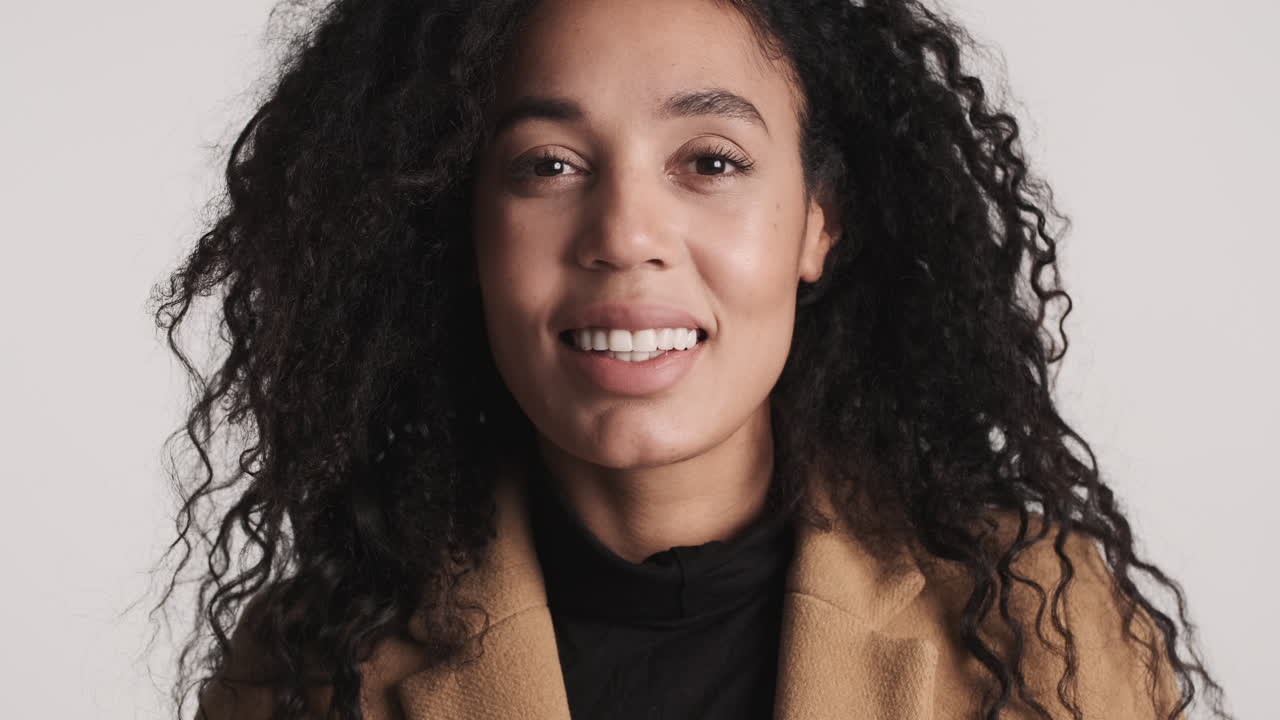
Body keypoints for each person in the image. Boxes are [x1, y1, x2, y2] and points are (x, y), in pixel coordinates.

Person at [149, 0, 1233, 719]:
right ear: (462, 234)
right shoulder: (308, 673)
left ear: (818, 223)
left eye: (708, 161)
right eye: (548, 164)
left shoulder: (1034, 624)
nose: (624, 233)